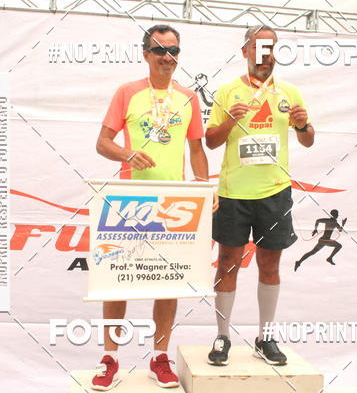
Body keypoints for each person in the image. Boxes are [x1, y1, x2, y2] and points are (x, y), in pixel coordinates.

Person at [93, 24, 210, 390]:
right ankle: (110, 358)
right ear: (145, 54)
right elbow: (102, 143)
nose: (167, 57)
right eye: (159, 50)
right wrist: (128, 154)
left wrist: (205, 189)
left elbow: (196, 149)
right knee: (117, 281)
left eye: (173, 51)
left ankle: (160, 356)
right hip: (130, 200)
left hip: (172, 201)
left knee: (168, 281)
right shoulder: (127, 92)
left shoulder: (188, 97)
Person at [205, 25, 315, 366]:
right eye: (258, 47)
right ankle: (222, 336)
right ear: (246, 52)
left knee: (270, 265)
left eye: (271, 48)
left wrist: (302, 125)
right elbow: (211, 141)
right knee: (227, 264)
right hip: (233, 193)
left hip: (274, 193)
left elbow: (308, 139)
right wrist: (230, 122)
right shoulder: (227, 92)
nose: (265, 55)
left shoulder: (290, 92)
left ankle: (265, 338)